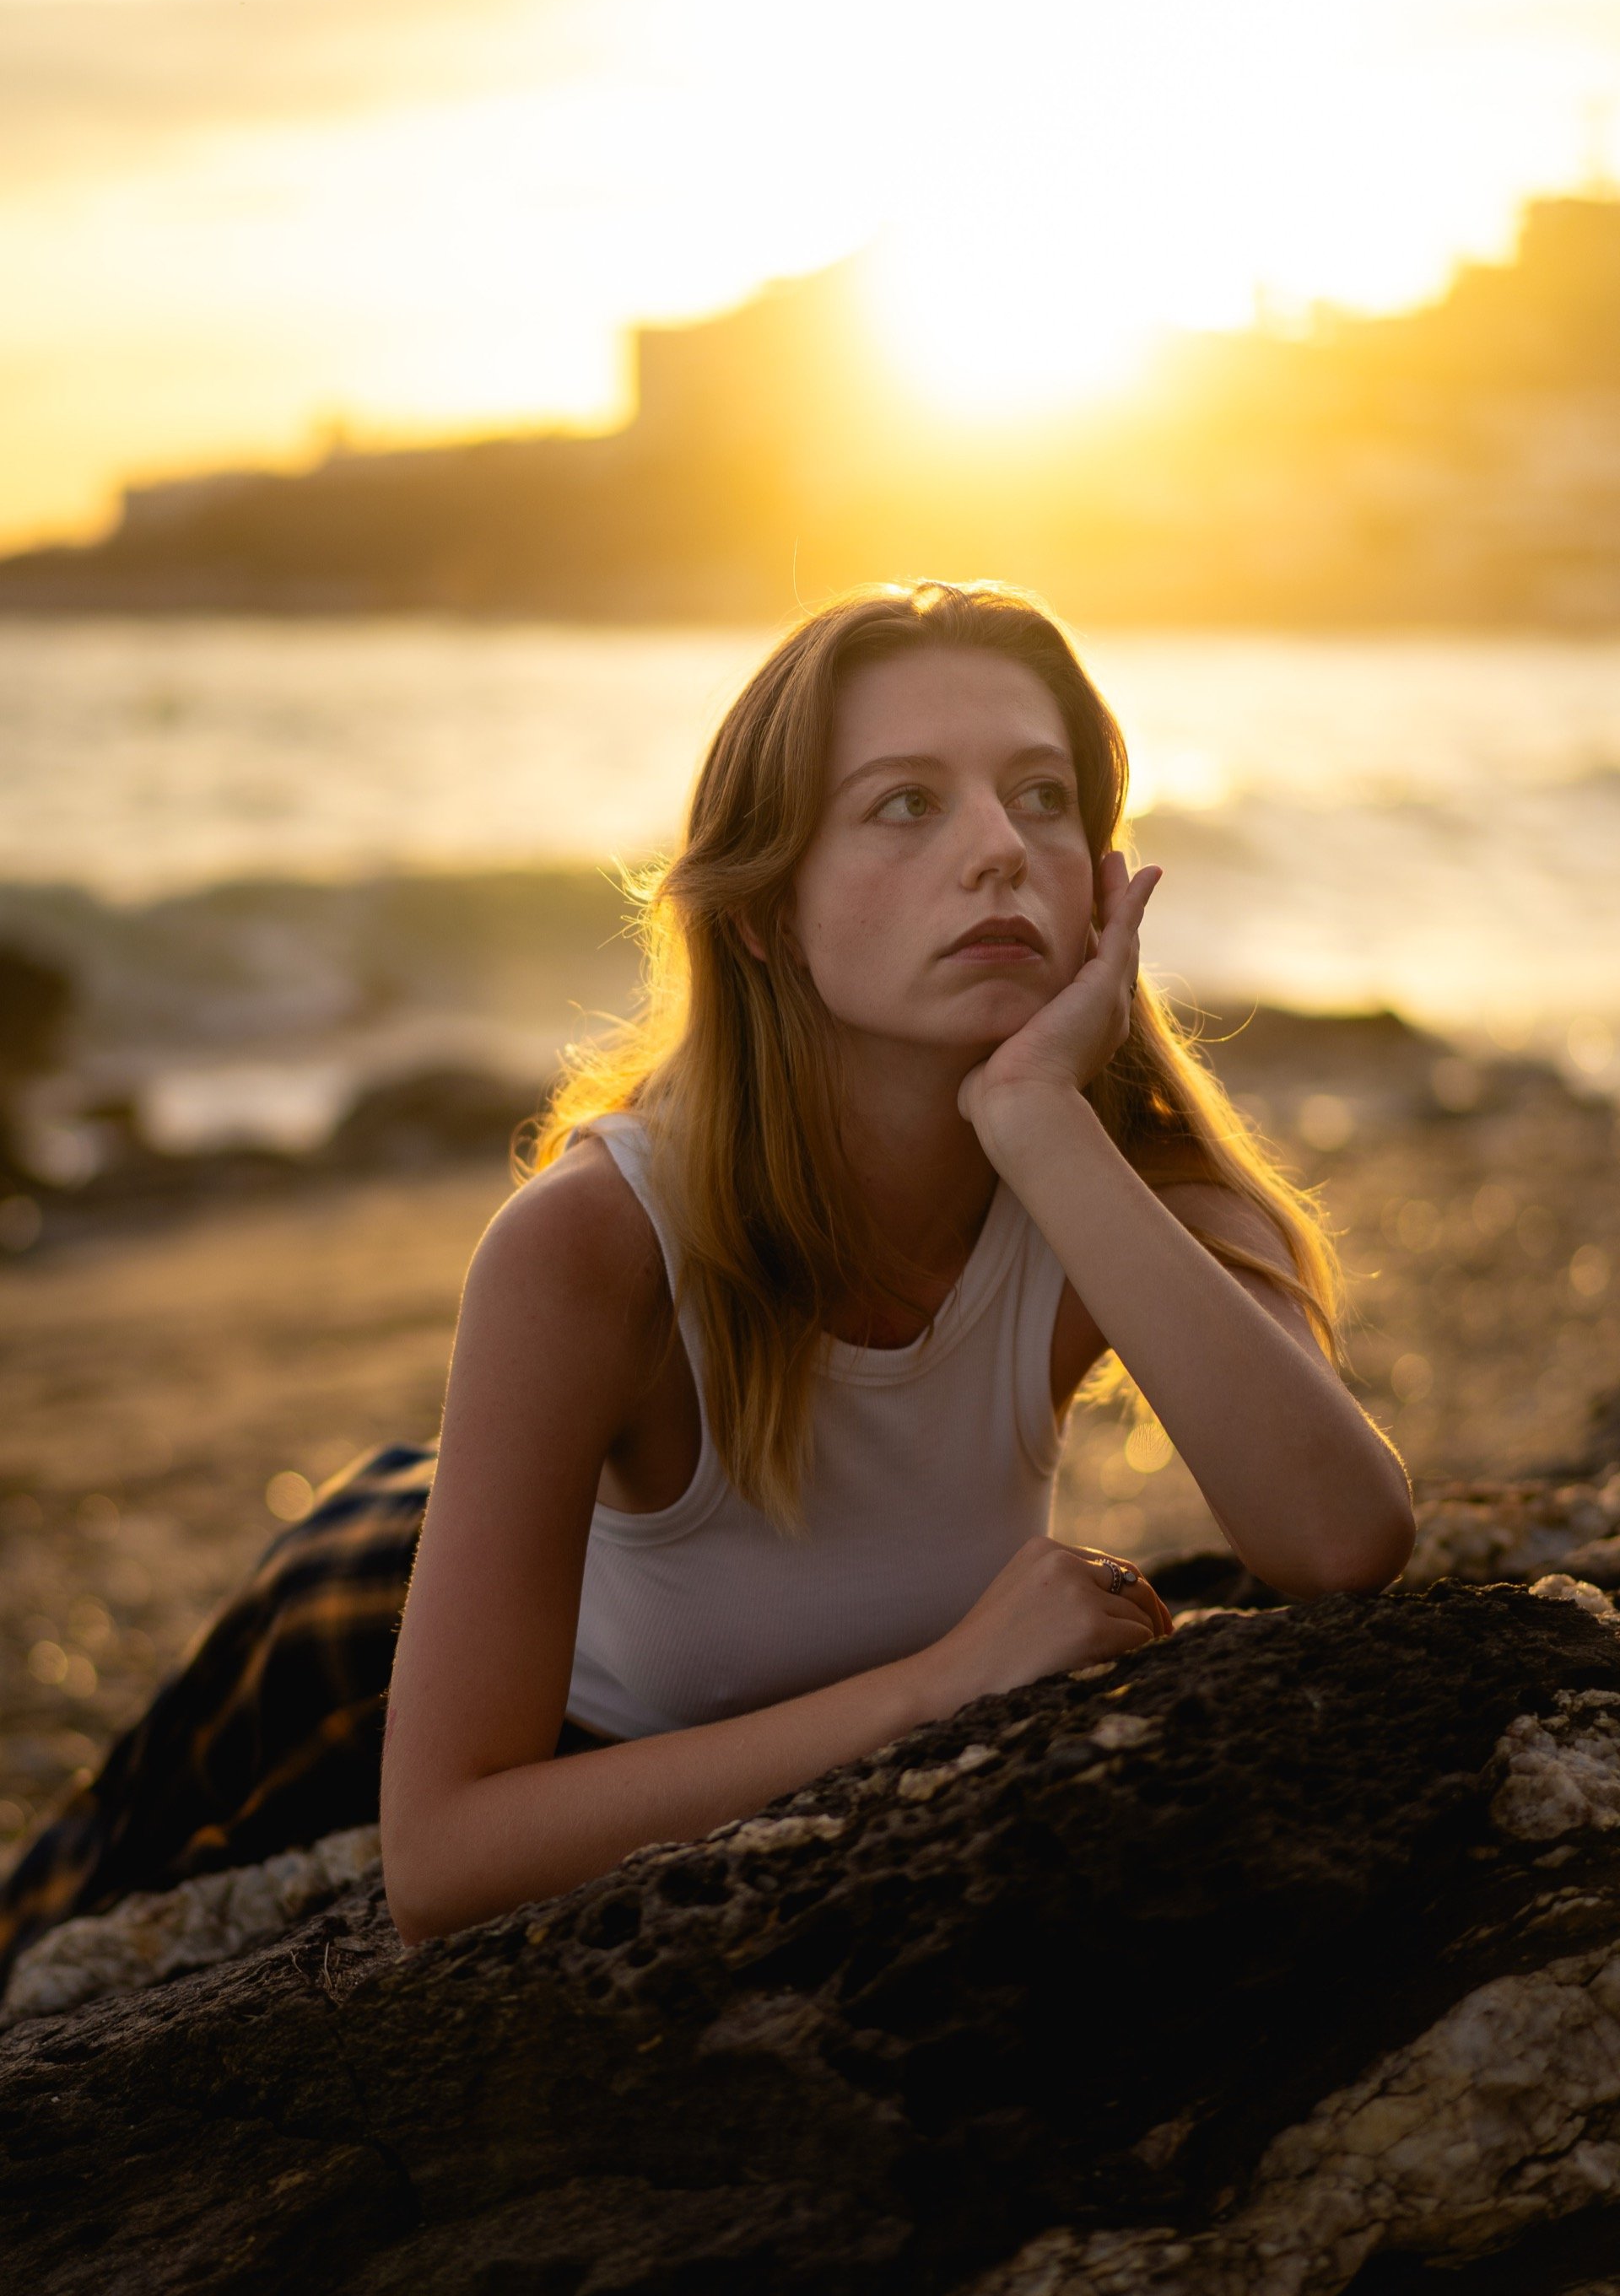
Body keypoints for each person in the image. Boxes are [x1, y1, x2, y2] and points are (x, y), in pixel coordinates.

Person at [0, 580, 1414, 1981]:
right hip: (363, 1630)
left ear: (1105, 879)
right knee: (47, 1935)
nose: (999, 850)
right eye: (905, 804)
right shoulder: (591, 1244)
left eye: (1044, 797)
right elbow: (441, 1864)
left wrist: (1041, 1118)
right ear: (762, 915)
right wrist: (936, 1688)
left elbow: (1343, 1541)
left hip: (541, 1561)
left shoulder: (1134, 1187)